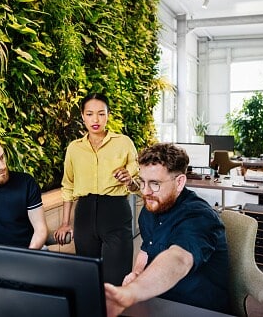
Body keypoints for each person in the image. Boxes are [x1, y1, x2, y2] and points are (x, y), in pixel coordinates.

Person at [104, 143, 229, 316]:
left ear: (179, 182)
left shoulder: (199, 216)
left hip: (196, 307)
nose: (146, 191)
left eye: (155, 183)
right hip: (159, 302)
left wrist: (132, 292)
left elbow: (178, 259)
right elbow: (146, 249)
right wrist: (137, 273)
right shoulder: (152, 208)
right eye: (142, 182)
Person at [54, 93, 139, 285]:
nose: (95, 119)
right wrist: (66, 222)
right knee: (88, 277)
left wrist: (130, 180)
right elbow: (68, 185)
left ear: (108, 115)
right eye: (90, 114)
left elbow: (139, 184)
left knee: (117, 280)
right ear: (83, 116)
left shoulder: (124, 143)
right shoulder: (74, 148)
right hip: (84, 215)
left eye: (101, 114)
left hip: (116, 213)